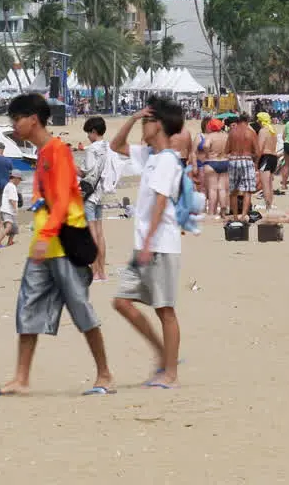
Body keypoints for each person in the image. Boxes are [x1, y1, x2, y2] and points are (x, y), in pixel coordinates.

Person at [0, 93, 113, 400]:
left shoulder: (57, 151)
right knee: (27, 307)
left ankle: (105, 373)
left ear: (33, 119)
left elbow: (64, 201)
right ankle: (21, 378)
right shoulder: (42, 154)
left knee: (81, 308)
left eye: (17, 119)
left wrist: (45, 234)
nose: (14, 126)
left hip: (64, 242)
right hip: (43, 244)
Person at [109, 98, 185, 390]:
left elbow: (161, 203)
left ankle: (171, 373)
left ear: (159, 126)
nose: (142, 125)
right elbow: (116, 146)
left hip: (159, 244)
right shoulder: (149, 155)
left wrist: (148, 243)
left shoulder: (167, 160)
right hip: (146, 244)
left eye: (145, 121)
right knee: (121, 302)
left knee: (165, 309)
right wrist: (132, 118)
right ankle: (163, 356)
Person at [80, 116, 111, 281]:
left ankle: (94, 271)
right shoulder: (108, 147)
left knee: (91, 234)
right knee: (100, 233)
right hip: (102, 193)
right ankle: (102, 271)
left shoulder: (91, 149)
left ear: (93, 131)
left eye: (88, 132)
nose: (87, 136)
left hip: (90, 195)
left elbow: (86, 171)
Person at [226, 114, 258, 217]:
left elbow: (226, 150)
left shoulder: (232, 132)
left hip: (234, 160)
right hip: (247, 160)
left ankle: (235, 216)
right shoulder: (251, 133)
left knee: (234, 190)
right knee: (247, 190)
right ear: (247, 121)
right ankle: (244, 215)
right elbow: (257, 152)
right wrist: (254, 161)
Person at [199, 118, 229, 219]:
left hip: (212, 161)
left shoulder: (210, 136)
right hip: (224, 161)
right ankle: (223, 210)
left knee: (212, 189)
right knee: (222, 188)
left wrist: (208, 153)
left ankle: (212, 212)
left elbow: (206, 145)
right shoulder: (226, 135)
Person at [255, 112, 280, 210]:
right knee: (270, 184)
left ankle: (268, 206)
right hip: (273, 157)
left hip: (265, 157)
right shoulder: (273, 130)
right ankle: (270, 204)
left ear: (260, 120)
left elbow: (260, 148)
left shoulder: (263, 131)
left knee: (265, 184)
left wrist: (256, 161)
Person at [0, 171, 22, 249]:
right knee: (8, 227)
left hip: (9, 210)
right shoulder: (11, 186)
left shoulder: (10, 186)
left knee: (14, 228)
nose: (20, 181)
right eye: (19, 179)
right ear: (15, 178)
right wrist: (15, 209)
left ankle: (10, 241)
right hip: (7, 210)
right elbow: (12, 199)